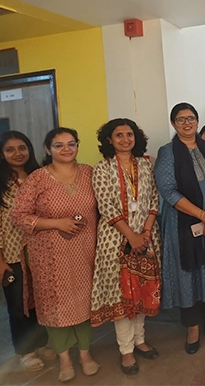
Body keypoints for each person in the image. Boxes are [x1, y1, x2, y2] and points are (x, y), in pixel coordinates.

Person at [12, 128, 99, 383]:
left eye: (71, 143)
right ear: (48, 149)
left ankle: (85, 354)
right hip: (48, 255)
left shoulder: (89, 173)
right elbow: (18, 216)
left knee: (84, 302)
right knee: (55, 307)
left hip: (85, 250)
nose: (66, 149)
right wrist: (56, 223)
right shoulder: (37, 178)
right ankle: (64, 359)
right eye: (58, 145)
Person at [155, 103, 205, 357]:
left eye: (191, 118)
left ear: (198, 121)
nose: (186, 123)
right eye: (181, 119)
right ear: (173, 123)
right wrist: (202, 215)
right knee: (188, 274)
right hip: (183, 225)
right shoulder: (168, 153)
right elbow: (168, 191)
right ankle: (193, 328)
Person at [90, 119, 161, 375]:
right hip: (115, 239)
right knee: (122, 294)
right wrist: (131, 236)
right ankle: (126, 350)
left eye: (129, 134)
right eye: (118, 135)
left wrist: (145, 233)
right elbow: (106, 206)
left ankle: (140, 340)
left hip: (147, 237)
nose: (125, 139)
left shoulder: (146, 164)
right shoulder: (101, 168)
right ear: (109, 140)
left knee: (142, 288)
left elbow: (154, 199)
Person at [0, 131, 55, 372]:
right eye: (10, 149)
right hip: (12, 254)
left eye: (22, 148)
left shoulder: (39, 176)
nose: (17, 153)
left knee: (39, 301)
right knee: (18, 305)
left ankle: (40, 344)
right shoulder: (2, 183)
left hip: (41, 251)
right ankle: (25, 351)